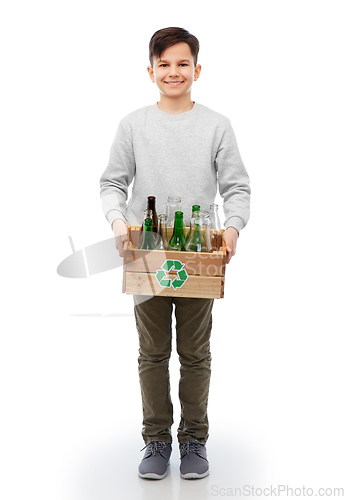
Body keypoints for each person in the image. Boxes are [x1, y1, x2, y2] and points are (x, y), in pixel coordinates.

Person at [99, 27, 251, 480]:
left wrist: (232, 229)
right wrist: (116, 221)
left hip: (198, 253)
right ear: (150, 71)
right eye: (164, 64)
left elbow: (237, 187)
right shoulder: (133, 125)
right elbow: (112, 182)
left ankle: (194, 440)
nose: (173, 72)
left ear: (197, 70)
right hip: (146, 251)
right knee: (151, 353)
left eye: (183, 63)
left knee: (195, 353)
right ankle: (156, 439)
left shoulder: (216, 125)